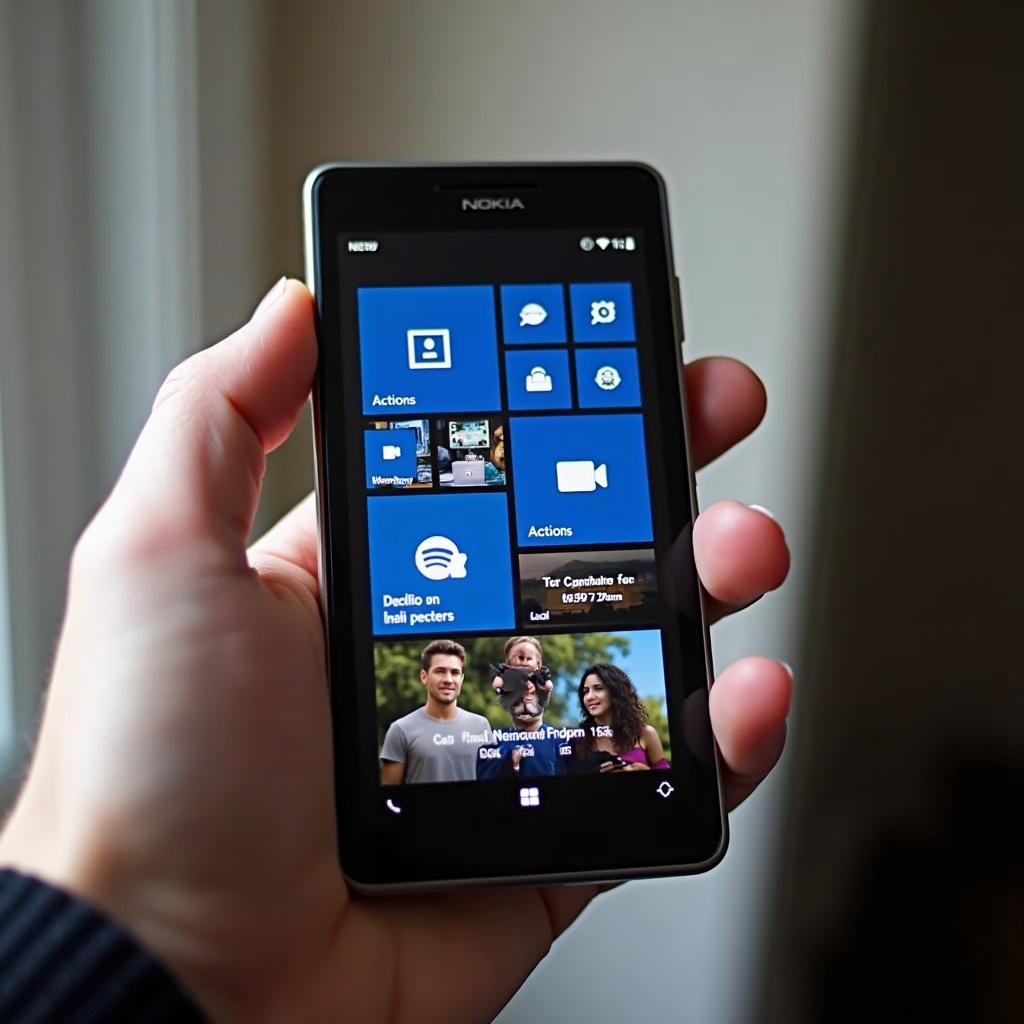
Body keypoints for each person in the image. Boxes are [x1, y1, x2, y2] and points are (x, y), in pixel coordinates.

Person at [0, 279, 792, 1023]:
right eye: (503, 670)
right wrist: (148, 922)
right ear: (439, 675)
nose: (526, 683)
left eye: (539, 674)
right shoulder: (414, 731)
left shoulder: (558, 736)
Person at [379, 639, 492, 784]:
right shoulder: (400, 730)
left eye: (455, 673)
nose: (448, 679)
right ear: (424, 677)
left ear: (462, 679)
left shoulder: (481, 725)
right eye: (440, 671)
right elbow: (389, 796)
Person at [577, 663, 670, 772]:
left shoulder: (645, 733)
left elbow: (667, 781)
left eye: (598, 688)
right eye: (585, 691)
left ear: (616, 692)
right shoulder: (579, 740)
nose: (589, 697)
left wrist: (645, 771)